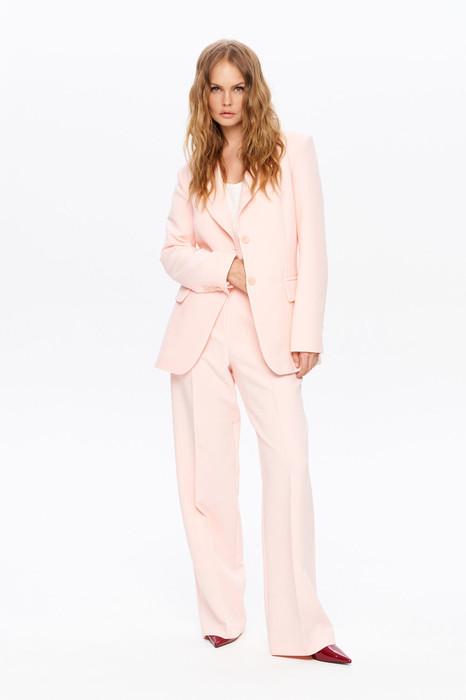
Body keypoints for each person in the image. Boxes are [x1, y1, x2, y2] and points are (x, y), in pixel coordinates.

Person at [154, 39, 351, 664]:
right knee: (208, 477)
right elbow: (172, 253)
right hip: (203, 331)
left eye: (237, 87)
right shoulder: (194, 171)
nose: (227, 100)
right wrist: (226, 268)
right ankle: (223, 615)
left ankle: (301, 632)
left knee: (289, 467)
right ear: (203, 95)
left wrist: (307, 333)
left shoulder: (293, 152)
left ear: (253, 90)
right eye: (216, 88)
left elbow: (313, 248)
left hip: (272, 332)